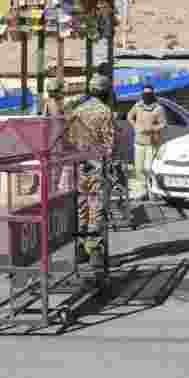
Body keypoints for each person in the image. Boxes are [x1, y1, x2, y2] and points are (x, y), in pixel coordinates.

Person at [64, 75, 115, 268]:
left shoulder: (77, 110)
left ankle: (81, 248)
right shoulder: (104, 111)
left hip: (78, 166)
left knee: (81, 206)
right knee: (97, 208)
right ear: (105, 92)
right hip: (97, 167)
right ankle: (94, 250)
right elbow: (109, 145)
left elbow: (68, 139)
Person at [126, 85, 166, 199]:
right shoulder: (137, 106)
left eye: (149, 94)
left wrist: (152, 128)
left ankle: (152, 191)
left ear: (152, 95)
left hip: (151, 142)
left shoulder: (158, 108)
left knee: (148, 168)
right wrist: (135, 125)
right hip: (139, 142)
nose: (146, 96)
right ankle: (143, 190)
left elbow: (163, 124)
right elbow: (129, 116)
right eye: (145, 94)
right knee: (138, 169)